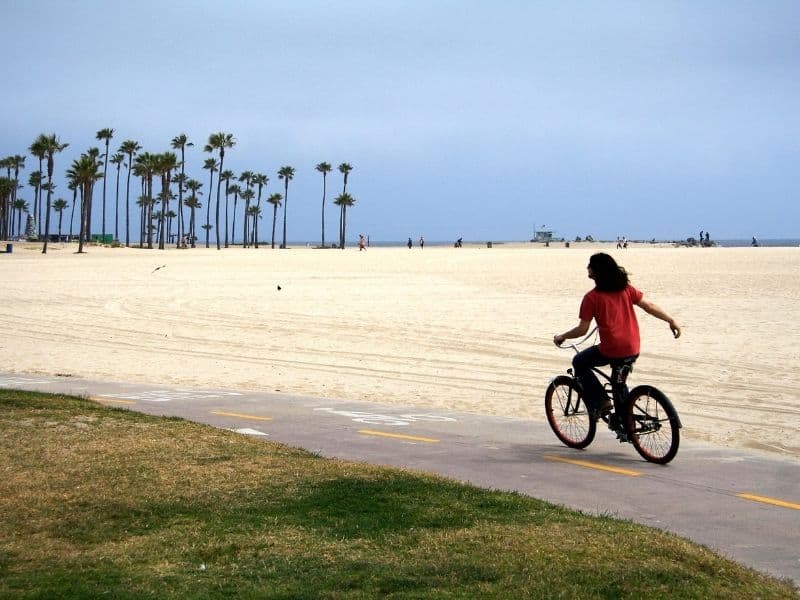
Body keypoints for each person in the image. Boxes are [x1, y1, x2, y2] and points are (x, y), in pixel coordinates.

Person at [553, 252, 681, 416]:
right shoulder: (626, 289)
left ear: (596, 271)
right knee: (619, 383)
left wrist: (562, 336)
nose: (587, 268)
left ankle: (601, 401)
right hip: (633, 347)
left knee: (579, 361)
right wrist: (670, 320)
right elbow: (649, 306)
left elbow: (582, 330)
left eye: (590, 265)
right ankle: (626, 422)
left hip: (612, 349)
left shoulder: (591, 298)